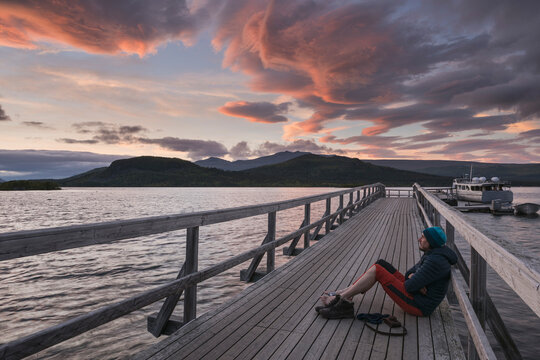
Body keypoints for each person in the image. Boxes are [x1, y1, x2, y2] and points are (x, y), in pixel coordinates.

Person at [316, 226, 457, 318]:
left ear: (431, 241)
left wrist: (415, 280)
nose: (419, 239)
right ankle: (343, 293)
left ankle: (342, 301)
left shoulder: (435, 261)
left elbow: (408, 285)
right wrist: (416, 280)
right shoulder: (432, 253)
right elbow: (409, 274)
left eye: (423, 237)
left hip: (419, 306)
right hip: (416, 294)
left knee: (379, 271)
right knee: (381, 264)